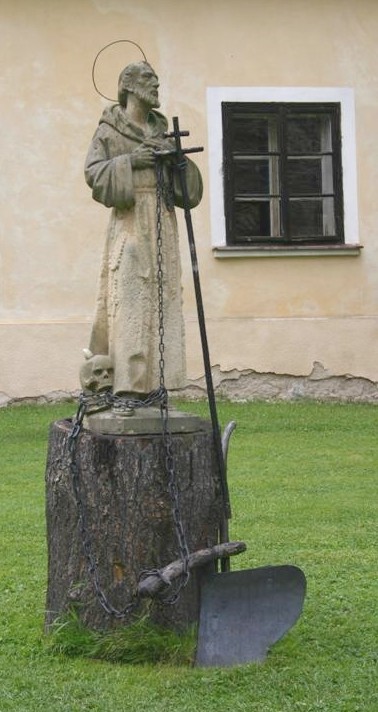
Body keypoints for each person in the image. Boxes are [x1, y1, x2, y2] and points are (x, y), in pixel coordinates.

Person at [83, 62, 203, 405]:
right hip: (131, 220)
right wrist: (132, 161)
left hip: (163, 222)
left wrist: (178, 163)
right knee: (130, 301)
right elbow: (93, 174)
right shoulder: (109, 130)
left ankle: (157, 386)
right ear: (129, 86)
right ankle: (127, 387)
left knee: (161, 301)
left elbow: (189, 192)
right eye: (150, 81)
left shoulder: (162, 132)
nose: (156, 86)